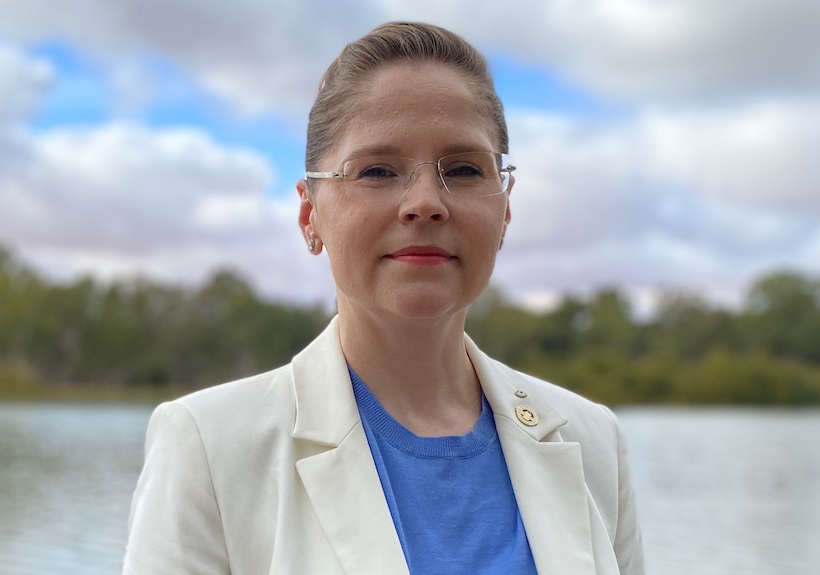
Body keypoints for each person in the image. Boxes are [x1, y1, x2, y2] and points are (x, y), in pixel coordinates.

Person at [123, 21, 644, 575]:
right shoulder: (208, 447)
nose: (425, 203)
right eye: (376, 170)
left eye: (464, 169)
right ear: (310, 214)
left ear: (505, 209)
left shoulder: (592, 442)